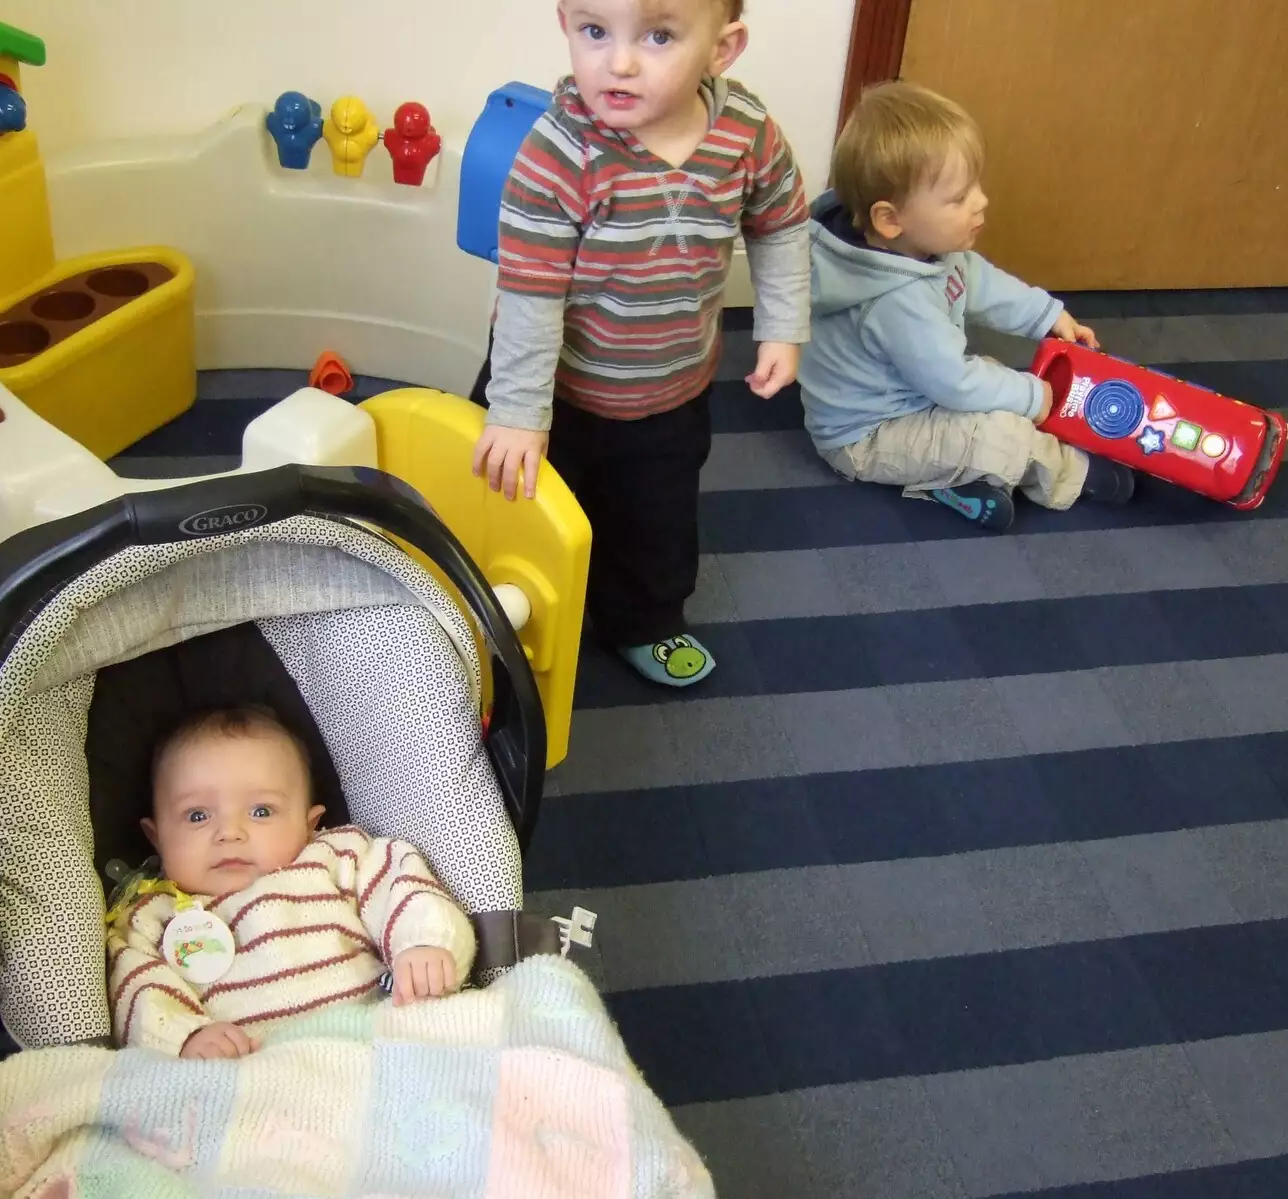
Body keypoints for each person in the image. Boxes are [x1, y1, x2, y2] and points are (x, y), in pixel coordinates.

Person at [469, 0, 810, 687]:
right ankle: (491, 610)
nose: (618, 62)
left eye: (657, 35)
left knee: (657, 521)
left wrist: (781, 323)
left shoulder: (746, 132)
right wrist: (517, 412)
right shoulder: (560, 152)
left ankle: (644, 621)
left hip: (671, 389)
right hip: (552, 388)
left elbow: (780, 224)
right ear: (567, 23)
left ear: (723, 48)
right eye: (596, 31)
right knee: (516, 503)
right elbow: (531, 295)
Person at [798, 80, 1135, 532]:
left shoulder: (924, 249)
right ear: (890, 219)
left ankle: (958, 480)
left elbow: (978, 282)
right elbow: (954, 383)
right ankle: (1076, 473)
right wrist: (1034, 399)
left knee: (995, 383)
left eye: (973, 186)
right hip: (869, 436)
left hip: (918, 394)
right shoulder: (895, 302)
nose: (981, 201)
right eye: (958, 198)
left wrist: (1046, 315)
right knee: (1003, 428)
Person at [106, 705, 475, 1059]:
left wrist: (422, 944)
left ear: (309, 824)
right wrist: (186, 1036)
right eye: (198, 815)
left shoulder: (338, 858)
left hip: (380, 1041)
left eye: (261, 811)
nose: (229, 832)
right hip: (259, 1076)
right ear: (157, 838)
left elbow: (402, 884)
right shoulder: (152, 918)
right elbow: (138, 990)